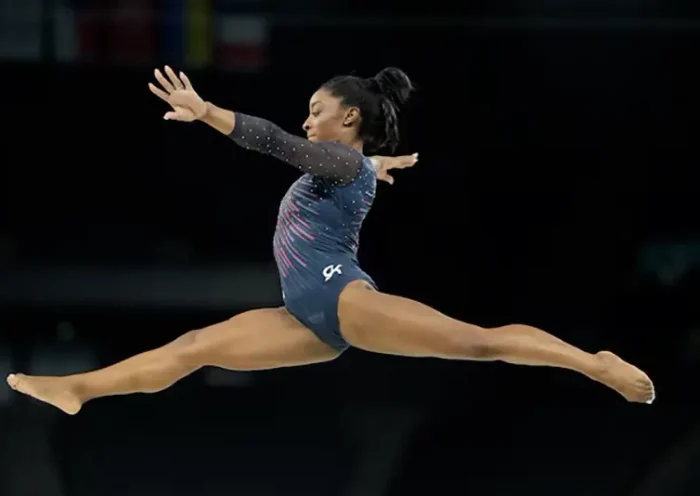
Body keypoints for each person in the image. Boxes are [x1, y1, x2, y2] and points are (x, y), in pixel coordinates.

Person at [6, 66, 654, 414]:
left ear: (348, 117)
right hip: (306, 320)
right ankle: (79, 389)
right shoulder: (349, 163)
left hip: (338, 295)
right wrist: (379, 164)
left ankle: (593, 363)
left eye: (317, 109)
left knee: (476, 344)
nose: (307, 118)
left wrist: (207, 111)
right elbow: (348, 164)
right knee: (193, 347)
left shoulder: (337, 159)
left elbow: (275, 143)